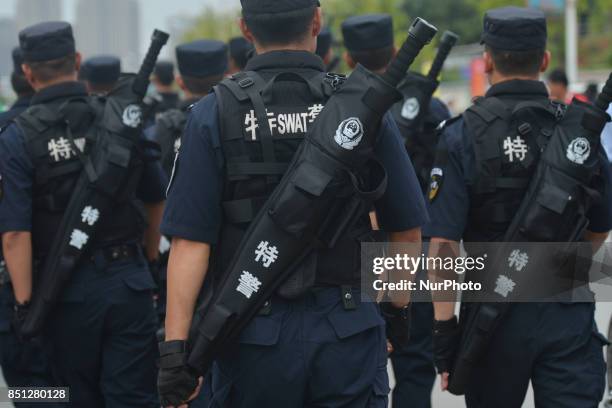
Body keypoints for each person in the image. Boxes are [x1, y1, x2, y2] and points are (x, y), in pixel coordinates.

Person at [157, 0, 428, 406]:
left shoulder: (213, 112)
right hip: (347, 327)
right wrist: (395, 309)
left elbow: (190, 244)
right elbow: (405, 229)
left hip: (247, 329)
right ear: (317, 21)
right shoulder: (363, 109)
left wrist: (177, 353)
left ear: (245, 29)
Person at [427, 7, 611, 407]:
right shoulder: (578, 135)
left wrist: (444, 331)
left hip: (490, 322)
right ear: (544, 60)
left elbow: (443, 245)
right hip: (566, 311)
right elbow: (600, 226)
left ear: (487, 59)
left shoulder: (462, 136)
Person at [0, 21, 166, 407]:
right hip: (128, 284)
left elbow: (14, 235)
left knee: (67, 397)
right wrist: (149, 260)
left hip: (59, 292)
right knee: (133, 397)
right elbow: (157, 198)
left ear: (27, 72)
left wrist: (26, 308)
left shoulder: (15, 137)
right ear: (78, 61)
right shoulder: (120, 119)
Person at [342, 13, 443, 408]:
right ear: (396, 50)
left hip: (356, 250)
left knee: (360, 359)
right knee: (415, 357)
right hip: (413, 242)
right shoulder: (427, 108)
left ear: (349, 58)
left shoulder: (339, 106)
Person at [0, 46, 60, 408]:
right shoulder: (85, 125)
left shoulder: (9, 131)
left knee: (32, 391)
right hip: (80, 282)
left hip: (16, 287)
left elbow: (14, 233)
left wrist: (23, 307)